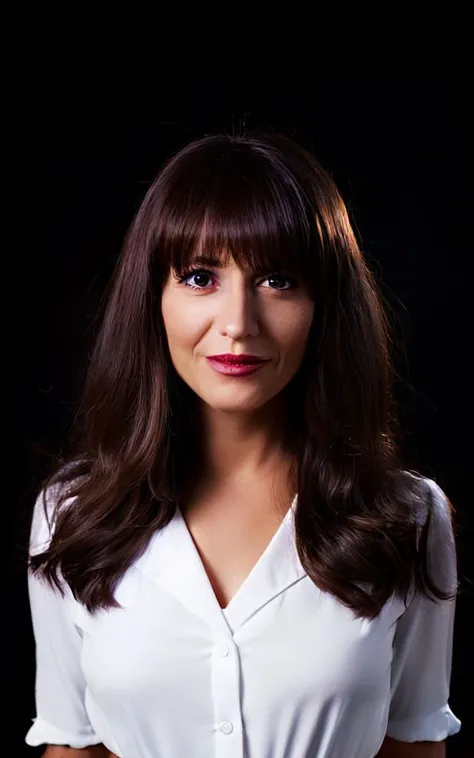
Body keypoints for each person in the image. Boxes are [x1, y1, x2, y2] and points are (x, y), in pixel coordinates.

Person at [25, 132, 461, 758]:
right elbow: (71, 745)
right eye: (200, 276)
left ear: (324, 306)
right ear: (154, 298)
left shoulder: (408, 518)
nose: (237, 323)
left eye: (278, 280)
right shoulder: (71, 516)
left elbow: (415, 742)